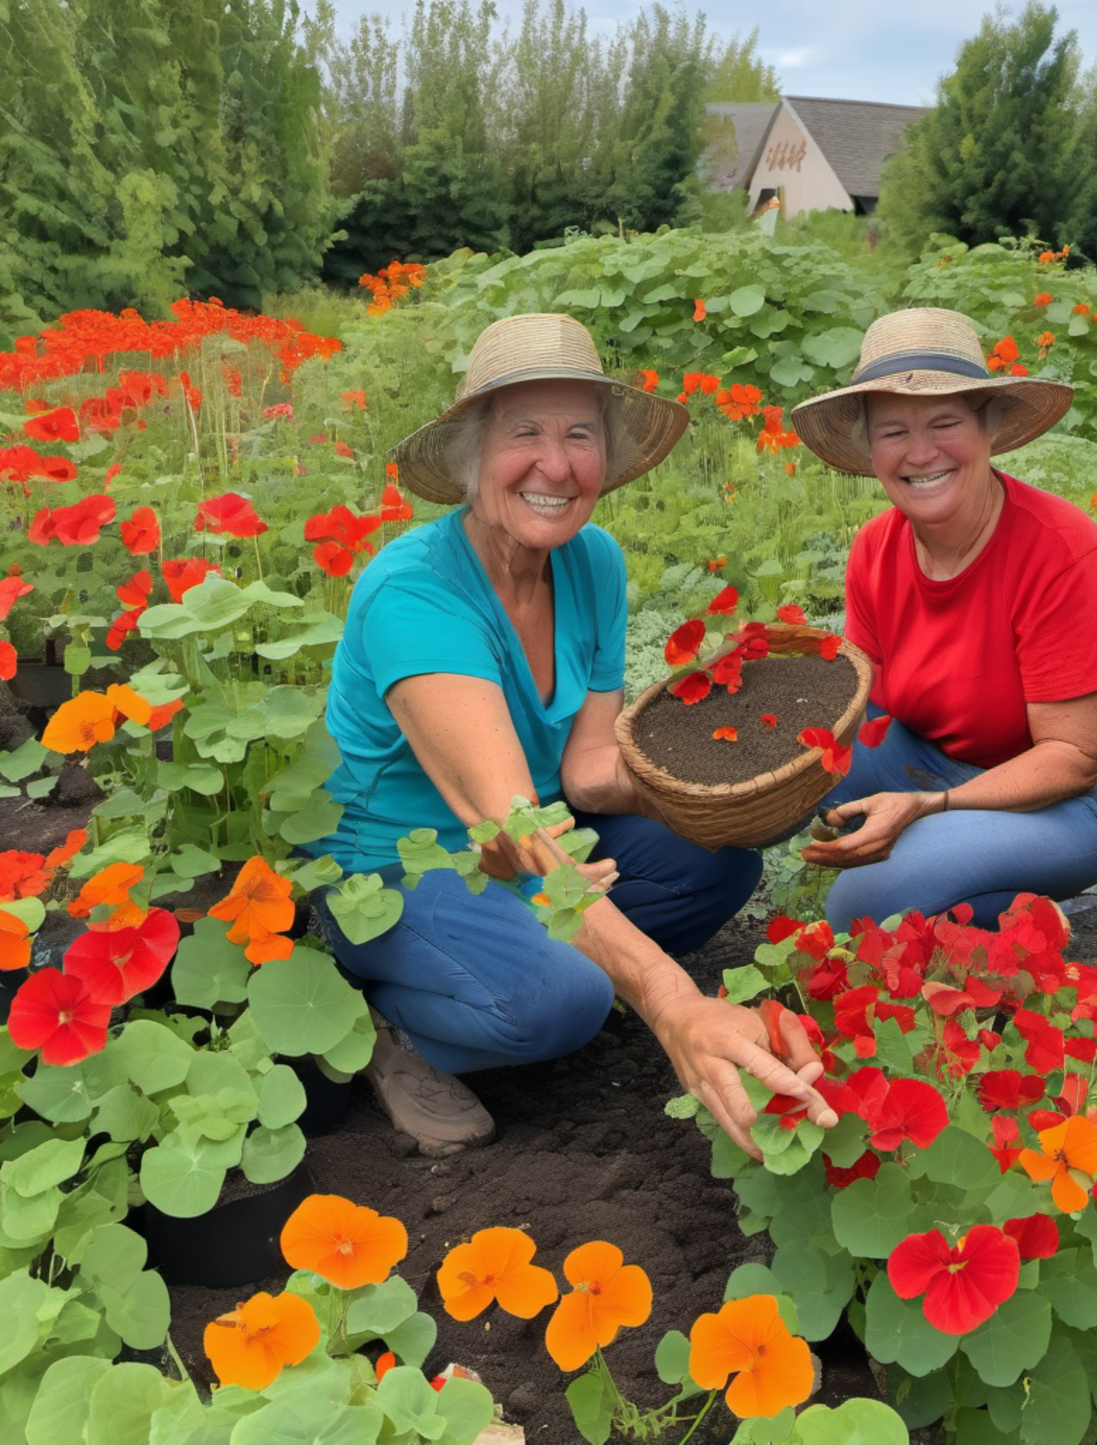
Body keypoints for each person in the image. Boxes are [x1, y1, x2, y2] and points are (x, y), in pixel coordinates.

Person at [309, 313, 835, 1158]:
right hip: (399, 867)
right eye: (524, 432)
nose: (555, 466)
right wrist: (670, 999)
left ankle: (566, 957)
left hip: (541, 840)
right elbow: (510, 823)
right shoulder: (414, 596)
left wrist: (722, 780)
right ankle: (382, 1026)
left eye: (579, 436)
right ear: (472, 453)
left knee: (717, 864)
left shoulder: (591, 561)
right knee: (561, 1002)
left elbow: (587, 774)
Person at [790, 307, 1097, 932]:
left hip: (1076, 797)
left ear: (988, 428)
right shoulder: (877, 546)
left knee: (862, 908)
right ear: (870, 447)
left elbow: (1075, 756)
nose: (921, 452)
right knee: (803, 768)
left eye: (944, 422)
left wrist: (927, 806)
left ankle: (1039, 915)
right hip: (934, 757)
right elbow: (862, 702)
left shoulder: (1062, 551)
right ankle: (1006, 900)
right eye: (893, 432)